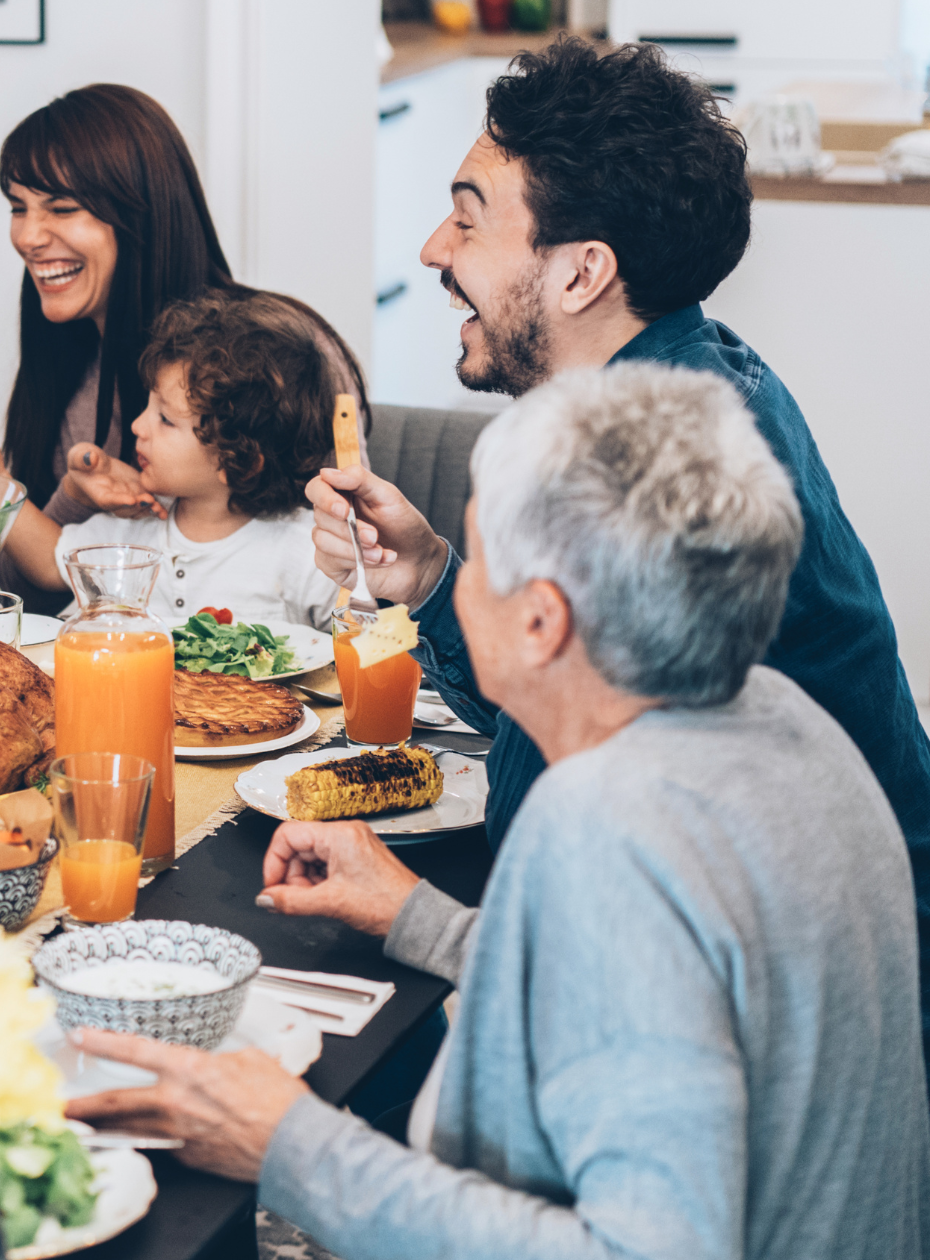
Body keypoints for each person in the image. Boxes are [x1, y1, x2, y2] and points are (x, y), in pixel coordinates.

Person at [69, 364, 930, 1257]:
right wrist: (421, 919)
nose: (462, 591)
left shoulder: (609, 824)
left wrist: (289, 1145)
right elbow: (658, 993)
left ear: (542, 623)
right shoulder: (791, 724)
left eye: (481, 566)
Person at [306, 37, 930, 1046]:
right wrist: (427, 579)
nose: (432, 249)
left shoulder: (654, 485)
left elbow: (629, 970)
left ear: (580, 273)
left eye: (467, 218)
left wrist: (410, 916)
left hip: (801, 1018)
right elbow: (551, 707)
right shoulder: (679, 389)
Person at [0, 84, 367, 610]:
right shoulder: (65, 358)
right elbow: (30, 589)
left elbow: (360, 586)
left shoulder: (276, 359)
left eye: (60, 207)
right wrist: (73, 497)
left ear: (140, 212)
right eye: (18, 207)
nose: (28, 236)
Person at [0, 290, 341, 626]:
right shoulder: (134, 530)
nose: (137, 426)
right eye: (147, 407)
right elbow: (48, 563)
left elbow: (365, 643)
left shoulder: (308, 551)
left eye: (165, 419)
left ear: (238, 458)